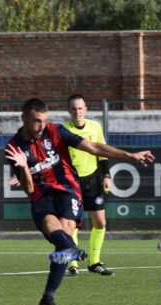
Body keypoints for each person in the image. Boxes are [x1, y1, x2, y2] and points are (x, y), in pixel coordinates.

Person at [4, 98, 154, 305]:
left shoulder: (55, 131)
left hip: (67, 189)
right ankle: (68, 252)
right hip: (40, 194)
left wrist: (130, 156)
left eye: (44, 121)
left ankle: (48, 297)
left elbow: (93, 147)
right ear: (24, 118)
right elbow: (28, 188)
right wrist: (23, 167)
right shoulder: (13, 147)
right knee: (52, 229)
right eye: (37, 121)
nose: (41, 126)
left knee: (64, 239)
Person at [63, 94, 114, 277]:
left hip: (93, 181)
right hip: (72, 182)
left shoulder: (95, 127)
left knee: (100, 222)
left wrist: (106, 175)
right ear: (69, 111)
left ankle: (94, 262)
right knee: (72, 224)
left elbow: (101, 151)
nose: (77, 112)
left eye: (80, 108)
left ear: (86, 109)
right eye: (74, 109)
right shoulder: (64, 131)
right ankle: (73, 263)